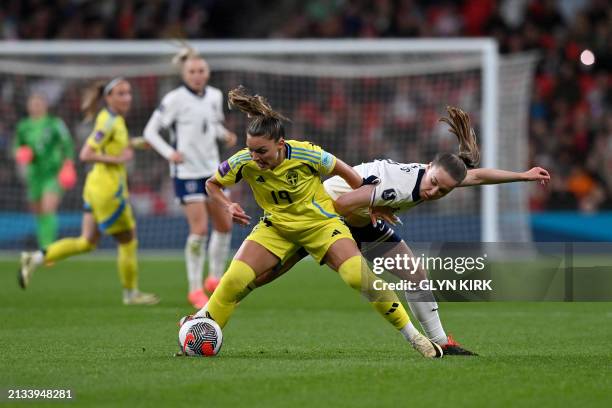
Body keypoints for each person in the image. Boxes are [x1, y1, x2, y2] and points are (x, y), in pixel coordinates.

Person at [237, 107, 551, 355]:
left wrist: (523, 176)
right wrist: (373, 208)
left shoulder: (440, 176)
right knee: (268, 273)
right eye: (433, 184)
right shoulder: (397, 188)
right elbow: (343, 203)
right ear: (428, 167)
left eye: (442, 191)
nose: (432, 192)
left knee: (415, 273)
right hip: (324, 213)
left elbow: (478, 176)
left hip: (359, 219)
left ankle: (443, 342)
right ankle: (215, 311)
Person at [184, 85, 444, 358]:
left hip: (322, 225)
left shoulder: (306, 153)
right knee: (234, 280)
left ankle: (415, 338)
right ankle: (201, 331)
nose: (255, 157)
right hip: (277, 228)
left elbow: (347, 173)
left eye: (261, 151)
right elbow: (212, 184)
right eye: (251, 150)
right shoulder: (243, 161)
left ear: (280, 145)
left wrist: (371, 203)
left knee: (359, 276)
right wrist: (228, 205)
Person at [18, 78, 159, 306]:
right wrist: (117, 158)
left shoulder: (111, 119)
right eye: (121, 94)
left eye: (129, 93)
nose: (127, 98)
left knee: (86, 242)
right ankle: (131, 294)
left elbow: (113, 143)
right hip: (109, 190)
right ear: (108, 97)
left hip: (94, 187)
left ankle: (34, 258)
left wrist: (137, 143)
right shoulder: (109, 122)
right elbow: (86, 153)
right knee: (128, 240)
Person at [144, 46, 236, 309]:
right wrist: (169, 153)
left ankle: (215, 279)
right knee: (199, 229)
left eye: (201, 71)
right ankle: (195, 289)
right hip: (187, 173)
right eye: (192, 71)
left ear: (207, 73)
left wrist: (224, 134)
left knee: (225, 225)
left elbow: (212, 124)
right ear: (184, 74)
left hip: (212, 170)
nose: (197, 75)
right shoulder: (174, 99)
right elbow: (150, 132)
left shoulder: (215, 97)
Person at [13, 93, 76, 249]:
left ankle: (48, 249)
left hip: (53, 173)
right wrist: (21, 154)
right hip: (34, 174)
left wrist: (68, 165)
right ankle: (44, 243)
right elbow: (17, 147)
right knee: (38, 212)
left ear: (45, 105)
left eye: (39, 102)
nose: (36, 105)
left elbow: (67, 144)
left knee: (48, 207)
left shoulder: (55, 123)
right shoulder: (23, 126)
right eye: (33, 103)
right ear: (28, 106)